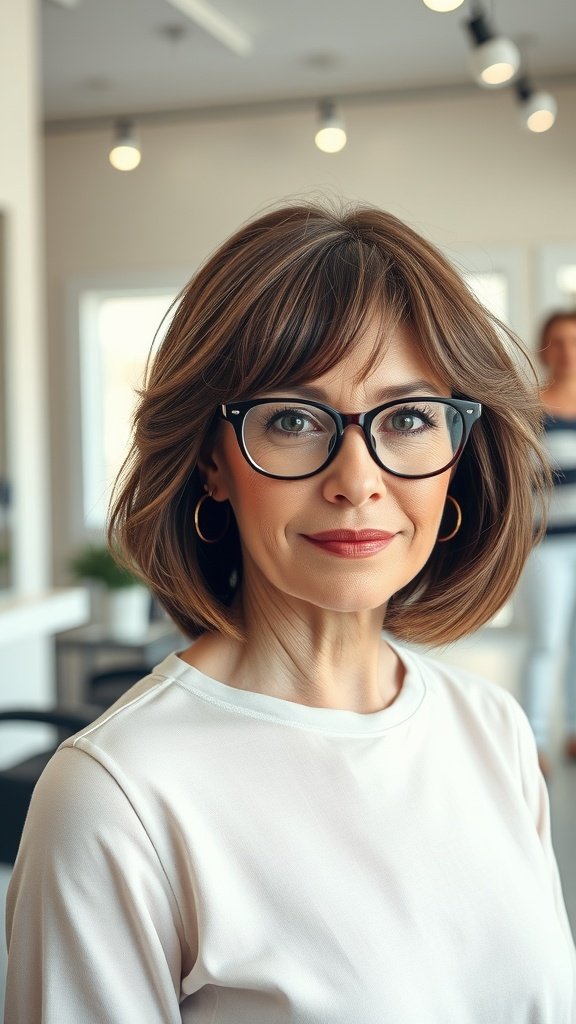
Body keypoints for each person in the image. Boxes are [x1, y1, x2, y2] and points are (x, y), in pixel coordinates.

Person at [5, 202, 576, 1023]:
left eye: (409, 417)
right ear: (211, 460)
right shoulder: (116, 796)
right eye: (293, 420)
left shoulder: (494, 730)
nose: (356, 479)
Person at [520, 310, 576, 777]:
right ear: (545, 349)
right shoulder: (530, 409)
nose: (568, 353)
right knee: (546, 644)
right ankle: (534, 740)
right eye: (558, 342)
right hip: (546, 546)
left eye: (575, 342)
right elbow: (517, 480)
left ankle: (575, 733)